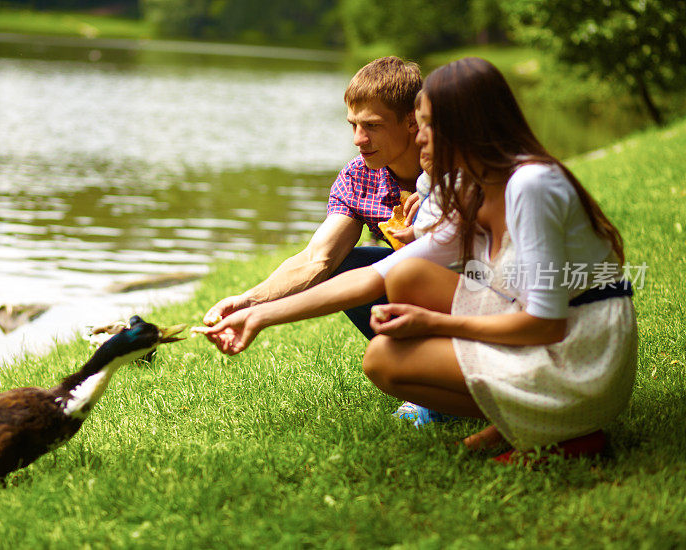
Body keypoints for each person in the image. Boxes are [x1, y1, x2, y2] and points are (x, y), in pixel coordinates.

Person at [196, 57, 638, 462]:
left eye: (425, 124)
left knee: (386, 357)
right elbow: (374, 276)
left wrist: (434, 325)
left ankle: (565, 427)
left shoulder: (531, 186)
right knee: (404, 277)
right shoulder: (466, 190)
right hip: (543, 335)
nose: (419, 134)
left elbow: (548, 323)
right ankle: (518, 419)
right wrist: (257, 313)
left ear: (464, 127)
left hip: (582, 358)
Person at [202, 56, 449, 424]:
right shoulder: (358, 175)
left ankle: (457, 380)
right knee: (348, 266)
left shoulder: (454, 167)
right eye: (353, 125)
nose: (358, 140)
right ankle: (425, 376)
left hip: (470, 288)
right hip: (411, 283)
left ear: (412, 122)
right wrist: (248, 302)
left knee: (404, 270)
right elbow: (319, 258)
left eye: (372, 126)